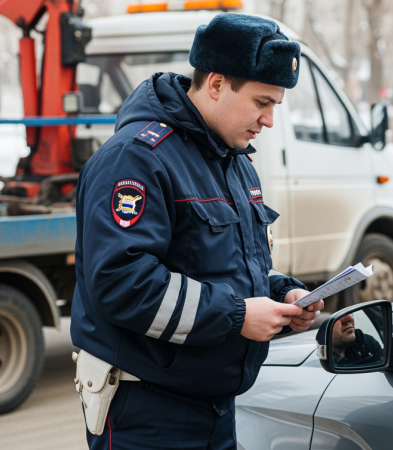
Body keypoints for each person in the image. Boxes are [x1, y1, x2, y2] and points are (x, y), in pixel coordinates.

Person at [70, 14, 323, 450]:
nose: (269, 120)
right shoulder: (136, 158)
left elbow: (223, 266)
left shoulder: (234, 161)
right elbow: (121, 283)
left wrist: (282, 295)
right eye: (262, 102)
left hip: (214, 410)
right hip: (147, 413)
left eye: (275, 106)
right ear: (217, 84)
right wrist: (239, 316)